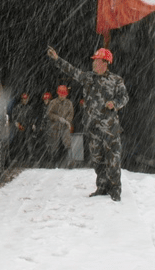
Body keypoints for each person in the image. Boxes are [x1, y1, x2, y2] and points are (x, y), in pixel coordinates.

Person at [46, 45, 129, 201]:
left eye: (97, 61)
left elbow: (124, 97)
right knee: (98, 160)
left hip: (110, 129)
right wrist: (57, 59)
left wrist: (114, 103)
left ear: (105, 63)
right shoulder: (88, 77)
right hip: (93, 129)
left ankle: (115, 190)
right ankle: (102, 187)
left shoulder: (116, 80)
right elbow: (71, 70)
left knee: (113, 160)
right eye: (94, 61)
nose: (94, 64)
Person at [45, 84, 74, 167]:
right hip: (55, 127)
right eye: (61, 95)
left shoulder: (69, 103)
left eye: (64, 95)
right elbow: (49, 114)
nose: (62, 96)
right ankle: (54, 163)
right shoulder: (53, 102)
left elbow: (71, 114)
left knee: (67, 143)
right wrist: (58, 118)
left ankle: (70, 161)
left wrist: (67, 121)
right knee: (54, 145)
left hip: (65, 127)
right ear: (58, 94)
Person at [11, 92, 34, 164]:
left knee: (28, 142)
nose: (25, 100)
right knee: (20, 143)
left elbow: (32, 118)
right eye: (24, 99)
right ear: (22, 99)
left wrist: (33, 124)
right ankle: (20, 158)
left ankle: (30, 158)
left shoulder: (29, 108)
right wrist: (17, 124)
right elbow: (14, 117)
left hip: (27, 127)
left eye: (26, 99)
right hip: (19, 128)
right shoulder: (17, 108)